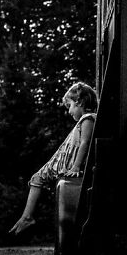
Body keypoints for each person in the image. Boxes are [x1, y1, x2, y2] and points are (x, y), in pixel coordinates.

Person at [9, 82, 98, 234]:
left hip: (69, 163)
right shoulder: (85, 120)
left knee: (37, 178)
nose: (69, 111)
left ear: (80, 102)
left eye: (69, 105)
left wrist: (76, 166)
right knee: (36, 178)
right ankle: (26, 216)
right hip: (64, 162)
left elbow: (85, 143)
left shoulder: (88, 119)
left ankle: (27, 217)